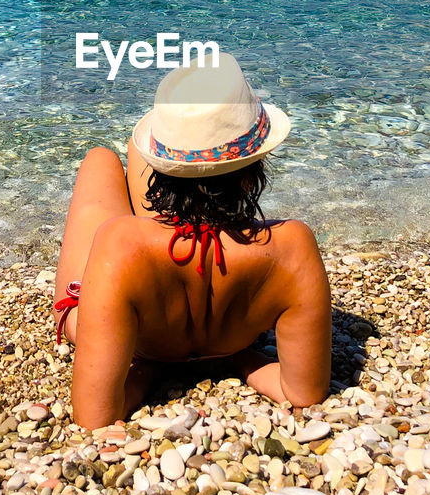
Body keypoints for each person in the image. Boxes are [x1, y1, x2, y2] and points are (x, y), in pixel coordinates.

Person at [53, 54, 332, 429]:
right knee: (136, 153)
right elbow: (302, 394)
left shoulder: (120, 245)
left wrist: (149, 371)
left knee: (101, 160)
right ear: (254, 170)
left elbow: (95, 417)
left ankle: (169, 192)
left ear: (163, 172)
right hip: (230, 336)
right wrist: (237, 360)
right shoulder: (292, 247)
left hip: (143, 331)